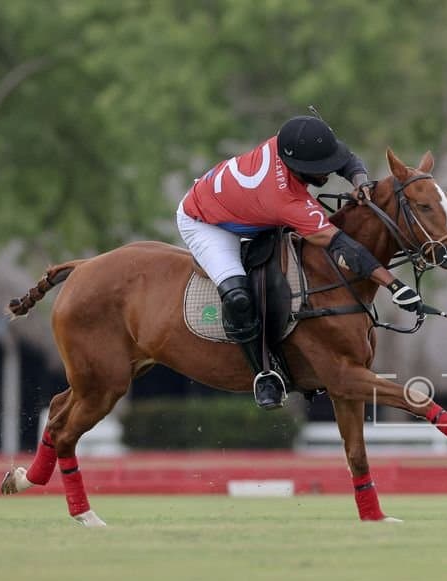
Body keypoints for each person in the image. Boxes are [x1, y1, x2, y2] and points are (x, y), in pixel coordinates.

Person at [177, 115, 424, 409]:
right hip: (208, 222)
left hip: (248, 207)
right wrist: (394, 285)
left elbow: (348, 160)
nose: (328, 173)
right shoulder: (283, 198)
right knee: (238, 296)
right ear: (297, 167)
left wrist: (361, 183)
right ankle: (264, 374)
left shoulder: (295, 140)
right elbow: (344, 247)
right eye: (320, 170)